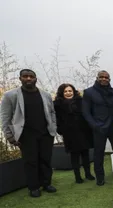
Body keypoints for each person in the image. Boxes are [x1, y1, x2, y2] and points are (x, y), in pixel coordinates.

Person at [0, 69, 57, 197]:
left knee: (46, 160)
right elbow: (5, 117)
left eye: (31, 76)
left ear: (36, 79)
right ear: (20, 79)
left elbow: (52, 113)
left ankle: (46, 183)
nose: (28, 79)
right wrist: (9, 136)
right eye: (25, 76)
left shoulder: (45, 95)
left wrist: (53, 127)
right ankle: (33, 187)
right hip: (26, 135)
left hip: (45, 133)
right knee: (31, 162)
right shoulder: (10, 96)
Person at [83, 70, 113, 186]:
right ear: (97, 78)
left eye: (106, 77)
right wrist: (94, 125)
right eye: (102, 77)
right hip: (99, 127)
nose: (104, 79)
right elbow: (86, 112)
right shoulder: (89, 92)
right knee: (99, 153)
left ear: (109, 79)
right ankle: (100, 177)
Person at [54, 84, 94, 184]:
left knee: (85, 154)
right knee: (74, 156)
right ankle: (77, 176)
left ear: (73, 91)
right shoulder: (57, 104)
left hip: (83, 131)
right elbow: (57, 119)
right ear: (62, 93)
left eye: (70, 91)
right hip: (69, 134)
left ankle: (88, 174)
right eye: (66, 91)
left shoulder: (81, 101)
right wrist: (60, 130)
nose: (68, 93)